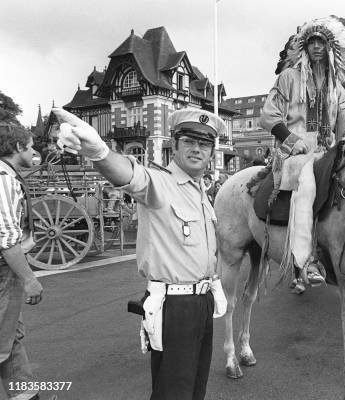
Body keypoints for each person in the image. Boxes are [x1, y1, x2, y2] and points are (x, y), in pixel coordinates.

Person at [52, 108, 226, 400]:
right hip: (176, 305)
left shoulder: (200, 192)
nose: (197, 149)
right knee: (174, 391)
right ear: (175, 144)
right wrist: (100, 153)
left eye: (205, 143)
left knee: (196, 387)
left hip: (203, 300)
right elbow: (129, 175)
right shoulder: (159, 183)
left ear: (211, 151)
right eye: (189, 141)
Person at [260, 16, 345, 293]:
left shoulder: (336, 86)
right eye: (312, 41)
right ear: (304, 47)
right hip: (294, 153)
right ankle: (306, 261)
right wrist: (292, 139)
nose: (317, 46)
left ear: (330, 48)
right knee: (308, 183)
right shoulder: (287, 78)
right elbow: (269, 115)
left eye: (322, 41)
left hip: (327, 152)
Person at [0, 123, 47, 400]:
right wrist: (29, 279)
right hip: (4, 270)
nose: (33, 151)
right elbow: (5, 239)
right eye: (29, 146)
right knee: (3, 340)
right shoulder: (4, 179)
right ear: (18, 148)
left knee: (11, 334)